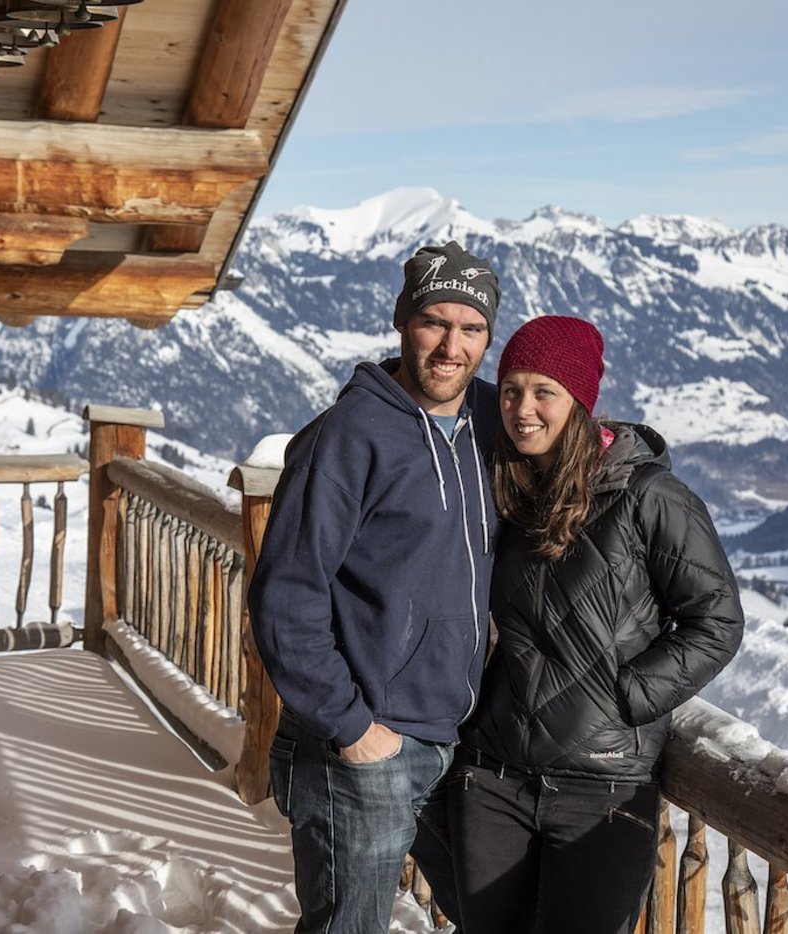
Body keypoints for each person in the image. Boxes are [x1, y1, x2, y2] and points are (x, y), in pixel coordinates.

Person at [447, 314, 745, 934]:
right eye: (509, 390)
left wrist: (625, 698)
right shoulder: (507, 486)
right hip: (493, 777)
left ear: (580, 401)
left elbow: (715, 619)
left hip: (602, 789)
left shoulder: (649, 497)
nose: (522, 408)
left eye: (543, 391)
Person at [248, 240, 502, 933]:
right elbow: (285, 594)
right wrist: (353, 728)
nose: (452, 345)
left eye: (472, 328)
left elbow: (569, 436)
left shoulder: (490, 422)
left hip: (451, 735)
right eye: (435, 322)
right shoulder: (348, 436)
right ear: (402, 322)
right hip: (359, 746)